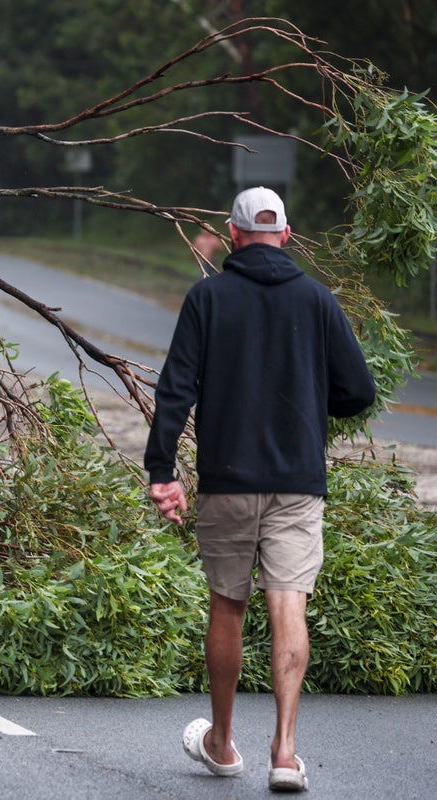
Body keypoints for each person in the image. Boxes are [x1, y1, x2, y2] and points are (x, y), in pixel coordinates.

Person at [144, 187, 375, 793]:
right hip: (298, 483)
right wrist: (309, 400)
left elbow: (175, 389)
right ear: (288, 236)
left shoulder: (208, 297)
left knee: (228, 604)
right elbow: (360, 391)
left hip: (228, 482)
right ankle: (285, 750)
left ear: (233, 234)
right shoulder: (317, 300)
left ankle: (221, 743)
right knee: (288, 602)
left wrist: (162, 471)